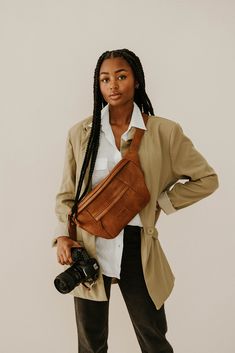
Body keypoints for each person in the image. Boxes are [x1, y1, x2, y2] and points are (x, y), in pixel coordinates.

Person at [52, 49, 219, 353]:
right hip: (88, 247)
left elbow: (207, 178)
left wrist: (162, 202)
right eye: (105, 79)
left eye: (121, 76)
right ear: (98, 85)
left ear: (137, 81)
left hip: (137, 246)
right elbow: (67, 195)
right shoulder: (81, 133)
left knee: (153, 340)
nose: (113, 85)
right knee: (90, 344)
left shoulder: (163, 132)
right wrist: (63, 236)